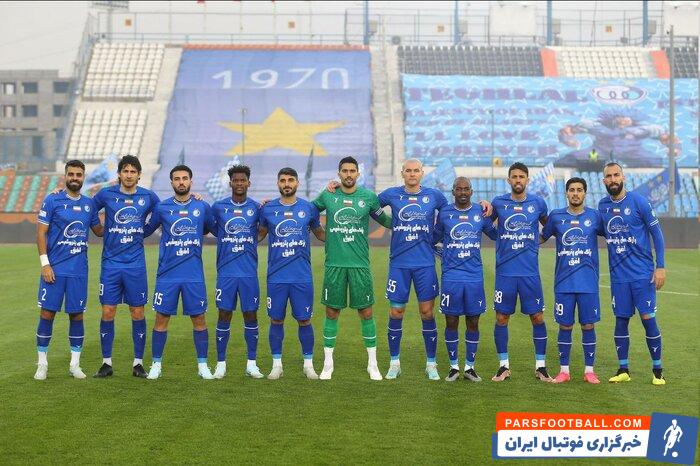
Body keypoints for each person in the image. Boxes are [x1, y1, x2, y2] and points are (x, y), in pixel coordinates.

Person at [313, 156, 392, 380]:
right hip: (334, 265)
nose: (348, 174)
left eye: (352, 171)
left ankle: (372, 364)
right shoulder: (328, 195)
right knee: (331, 312)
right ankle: (328, 364)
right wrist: (319, 232)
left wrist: (412, 222)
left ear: (358, 174)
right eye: (345, 171)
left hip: (360, 266)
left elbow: (386, 221)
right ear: (339, 173)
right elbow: (308, 212)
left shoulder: (368, 198)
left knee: (366, 312)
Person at [377, 159, 448, 380]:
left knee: (427, 312)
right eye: (408, 170)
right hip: (399, 264)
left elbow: (448, 214)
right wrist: (388, 222)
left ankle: (431, 364)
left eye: (416, 170)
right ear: (402, 173)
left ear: (422, 173)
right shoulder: (392, 194)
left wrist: (436, 235)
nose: (412, 174)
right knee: (396, 312)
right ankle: (394, 363)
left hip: (425, 264)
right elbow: (371, 206)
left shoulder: (434, 196)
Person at [143, 165, 215, 380]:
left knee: (199, 318)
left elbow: (212, 228)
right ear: (172, 182)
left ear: (191, 181)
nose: (181, 182)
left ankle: (203, 366)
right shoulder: (162, 207)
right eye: (177, 179)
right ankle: (156, 365)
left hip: (193, 275)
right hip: (168, 274)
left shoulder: (202, 206)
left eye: (185, 178)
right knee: (161, 318)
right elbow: (145, 230)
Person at [91, 155, 160, 379]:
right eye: (125, 171)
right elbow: (88, 208)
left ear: (139, 175)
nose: (129, 175)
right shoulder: (106, 194)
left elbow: (163, 212)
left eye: (133, 171)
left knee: (137, 311)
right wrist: (98, 229)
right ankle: (106, 363)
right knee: (108, 311)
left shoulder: (148, 196)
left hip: (135, 265)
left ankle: (138, 363)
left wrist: (145, 231)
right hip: (110, 264)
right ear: (119, 174)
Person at [34, 160, 103, 380]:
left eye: (78, 174)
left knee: (77, 315)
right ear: (65, 176)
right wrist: (45, 264)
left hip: (78, 271)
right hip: (54, 269)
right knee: (47, 313)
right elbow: (41, 233)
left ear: (83, 177)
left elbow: (99, 231)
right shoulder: (52, 200)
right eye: (71, 174)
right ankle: (42, 364)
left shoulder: (89, 204)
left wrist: (122, 217)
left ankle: (75, 365)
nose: (74, 178)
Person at [598, 162, 666, 385]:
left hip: (642, 274)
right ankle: (623, 369)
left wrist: (660, 266)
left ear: (623, 177)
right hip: (618, 277)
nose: (613, 179)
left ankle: (657, 371)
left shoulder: (639, 202)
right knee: (621, 320)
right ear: (604, 181)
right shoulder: (602, 206)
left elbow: (657, 234)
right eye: (609, 176)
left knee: (648, 319)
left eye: (616, 175)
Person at [258, 167, 326, 380]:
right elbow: (258, 235)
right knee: (276, 320)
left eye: (290, 180)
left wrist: (342, 233)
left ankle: (308, 365)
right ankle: (276, 365)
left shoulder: (309, 208)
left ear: (297, 183)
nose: (286, 184)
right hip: (276, 276)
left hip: (301, 276)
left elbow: (321, 234)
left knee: (304, 320)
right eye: (283, 180)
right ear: (278, 183)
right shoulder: (267, 209)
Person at [490, 162, 552, 383]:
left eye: (521, 177)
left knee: (537, 317)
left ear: (527, 179)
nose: (518, 180)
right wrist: (497, 235)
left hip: (529, 273)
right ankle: (503, 366)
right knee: (501, 318)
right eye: (514, 177)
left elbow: (549, 226)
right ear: (509, 180)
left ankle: (541, 367)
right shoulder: (498, 203)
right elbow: (485, 225)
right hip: (505, 273)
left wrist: (538, 240)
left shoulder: (538, 203)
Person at [541, 177, 605, 384]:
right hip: (564, 282)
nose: (575, 193)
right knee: (565, 326)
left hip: (588, 283)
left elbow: (613, 234)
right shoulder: (556, 216)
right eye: (571, 190)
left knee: (588, 325)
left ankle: (589, 371)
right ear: (566, 193)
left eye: (579, 190)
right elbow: (541, 237)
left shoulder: (595, 216)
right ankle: (564, 371)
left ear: (585, 193)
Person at [433, 177, 496, 382]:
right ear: (453, 192)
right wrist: (442, 255)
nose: (462, 192)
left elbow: (495, 234)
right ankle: (453, 367)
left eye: (466, 189)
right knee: (451, 320)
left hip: (474, 276)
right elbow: (433, 238)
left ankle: (469, 367)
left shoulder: (479, 212)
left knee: (473, 321)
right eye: (458, 189)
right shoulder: (445, 213)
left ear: (471, 191)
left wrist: (493, 209)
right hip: (451, 276)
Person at [209, 165, 264, 379]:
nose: (239, 183)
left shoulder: (257, 208)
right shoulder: (218, 207)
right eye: (236, 180)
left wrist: (250, 241)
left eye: (243, 180)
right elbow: (211, 227)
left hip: (249, 272)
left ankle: (252, 364)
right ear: (230, 182)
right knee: (224, 314)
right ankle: (221, 364)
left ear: (249, 183)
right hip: (226, 272)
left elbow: (263, 230)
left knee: (251, 314)